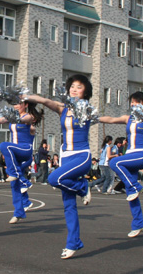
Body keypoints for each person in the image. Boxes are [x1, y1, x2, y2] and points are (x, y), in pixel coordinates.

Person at [26, 75, 94, 259]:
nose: (74, 89)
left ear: (85, 92)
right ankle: (73, 243)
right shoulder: (63, 108)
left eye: (79, 87)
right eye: (72, 86)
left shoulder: (87, 108)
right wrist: (24, 96)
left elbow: (101, 117)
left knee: (54, 178)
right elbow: (45, 100)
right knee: (68, 205)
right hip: (66, 157)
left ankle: (83, 187)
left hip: (81, 156)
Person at [100, 92, 143, 238]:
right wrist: (93, 118)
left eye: (136, 102)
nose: (132, 104)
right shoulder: (128, 118)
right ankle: (138, 223)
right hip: (130, 155)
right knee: (131, 193)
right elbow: (111, 119)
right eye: (131, 102)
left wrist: (142, 110)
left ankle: (135, 186)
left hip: (141, 154)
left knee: (114, 161)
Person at [0, 99, 42, 223]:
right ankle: (19, 211)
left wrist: (12, 117)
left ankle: (23, 182)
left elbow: (27, 119)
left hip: (25, 151)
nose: (16, 106)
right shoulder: (12, 117)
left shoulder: (28, 118)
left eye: (18, 104)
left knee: (4, 145)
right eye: (14, 104)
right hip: (15, 153)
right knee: (13, 182)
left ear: (26, 105)